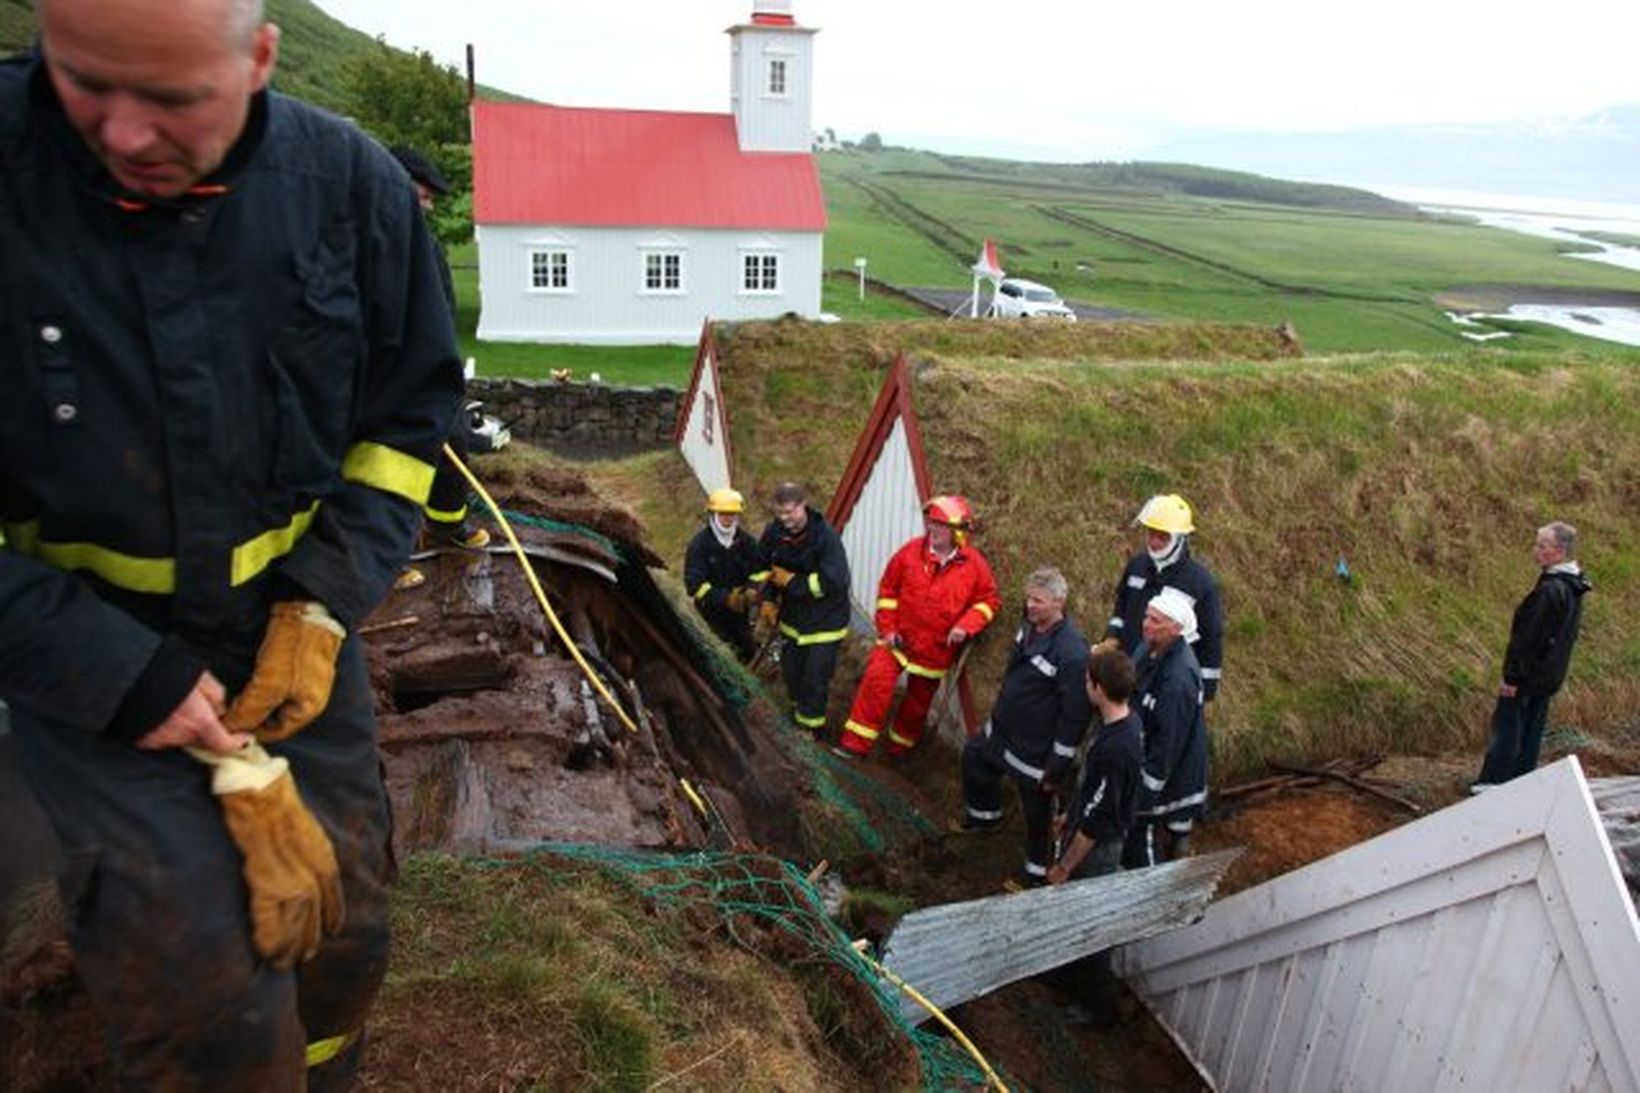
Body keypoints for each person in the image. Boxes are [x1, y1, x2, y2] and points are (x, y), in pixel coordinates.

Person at [0, 2, 461, 1088]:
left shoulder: (349, 192)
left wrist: (323, 599)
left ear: (259, 56)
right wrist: (118, 675)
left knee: (339, 921)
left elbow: (406, 421)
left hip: (289, 637)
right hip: (79, 654)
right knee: (202, 984)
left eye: (169, 98)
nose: (121, 134)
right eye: (84, 84)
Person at [839, 495, 1000, 759]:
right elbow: (888, 590)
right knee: (874, 686)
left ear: (958, 532)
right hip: (897, 639)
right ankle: (853, 747)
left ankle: (898, 751)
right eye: (931, 522)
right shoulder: (910, 552)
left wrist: (966, 626)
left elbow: (988, 601)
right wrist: (888, 630)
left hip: (934, 651)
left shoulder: (975, 566)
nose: (932, 529)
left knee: (917, 706)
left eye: (940, 524)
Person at [957, 567, 1090, 886]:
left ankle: (1036, 875)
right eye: (1028, 598)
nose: (1030, 606)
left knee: (1037, 817)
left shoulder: (1072, 652)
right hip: (1003, 733)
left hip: (1035, 751)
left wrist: (1058, 763)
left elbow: (1075, 714)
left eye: (1038, 601)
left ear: (1059, 602)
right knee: (974, 759)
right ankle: (985, 820)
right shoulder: (1028, 626)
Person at [390, 143, 489, 556]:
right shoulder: (360, 238)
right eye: (423, 197)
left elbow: (442, 311)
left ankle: (447, 526)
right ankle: (387, 555)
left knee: (453, 443)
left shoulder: (425, 245)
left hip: (429, 371)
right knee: (388, 462)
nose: (428, 208)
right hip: (386, 376)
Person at [1045, 645, 1142, 1023]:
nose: (1085, 684)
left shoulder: (1118, 747)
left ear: (1099, 687)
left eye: (1088, 679)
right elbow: (1093, 793)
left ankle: (1098, 1008)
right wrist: (1068, 815)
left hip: (1098, 849)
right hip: (1088, 832)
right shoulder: (1119, 724)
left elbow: (1096, 822)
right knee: (1074, 914)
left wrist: (1065, 867)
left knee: (1089, 922)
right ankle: (1067, 976)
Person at [1472, 522, 1591, 791]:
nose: (1535, 550)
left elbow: (1529, 639)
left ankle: (1493, 783)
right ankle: (1521, 783)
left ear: (1559, 551)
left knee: (1509, 727)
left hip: (1530, 675)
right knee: (1532, 730)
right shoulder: (1574, 583)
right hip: (1549, 674)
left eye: (1542, 546)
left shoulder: (1551, 590)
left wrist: (1512, 678)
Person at [752, 482, 851, 735]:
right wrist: (767, 599)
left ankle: (810, 733)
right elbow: (764, 569)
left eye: (790, 512)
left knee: (814, 679)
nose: (785, 520)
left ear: (803, 505)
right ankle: (799, 716)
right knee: (792, 674)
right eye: (779, 514)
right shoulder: (773, 533)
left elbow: (835, 581)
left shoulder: (824, 537)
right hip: (792, 621)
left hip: (825, 623)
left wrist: (793, 582)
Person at [1106, 493, 1225, 702]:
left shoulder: (1200, 582)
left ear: (1180, 539)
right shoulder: (1137, 566)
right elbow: (1121, 606)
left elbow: (1211, 637)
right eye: (1151, 534)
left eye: (1163, 537)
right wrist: (1112, 636)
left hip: (1165, 684)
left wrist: (1204, 690)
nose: (1154, 542)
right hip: (1125, 675)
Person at [1124, 587, 1210, 868]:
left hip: (1170, 773)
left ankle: (1154, 881)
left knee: (1141, 832)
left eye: (1155, 621)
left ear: (1176, 628)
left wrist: (1144, 796)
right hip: (1145, 751)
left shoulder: (1178, 680)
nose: (1146, 625)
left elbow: (1167, 745)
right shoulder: (1148, 646)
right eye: (1147, 617)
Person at [683, 486, 761, 661]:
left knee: (747, 650)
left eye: (731, 514)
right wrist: (726, 598)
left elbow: (759, 571)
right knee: (722, 656)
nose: (727, 518)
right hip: (711, 614)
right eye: (723, 514)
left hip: (740, 610)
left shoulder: (747, 542)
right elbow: (694, 585)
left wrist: (752, 589)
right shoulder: (699, 545)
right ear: (713, 514)